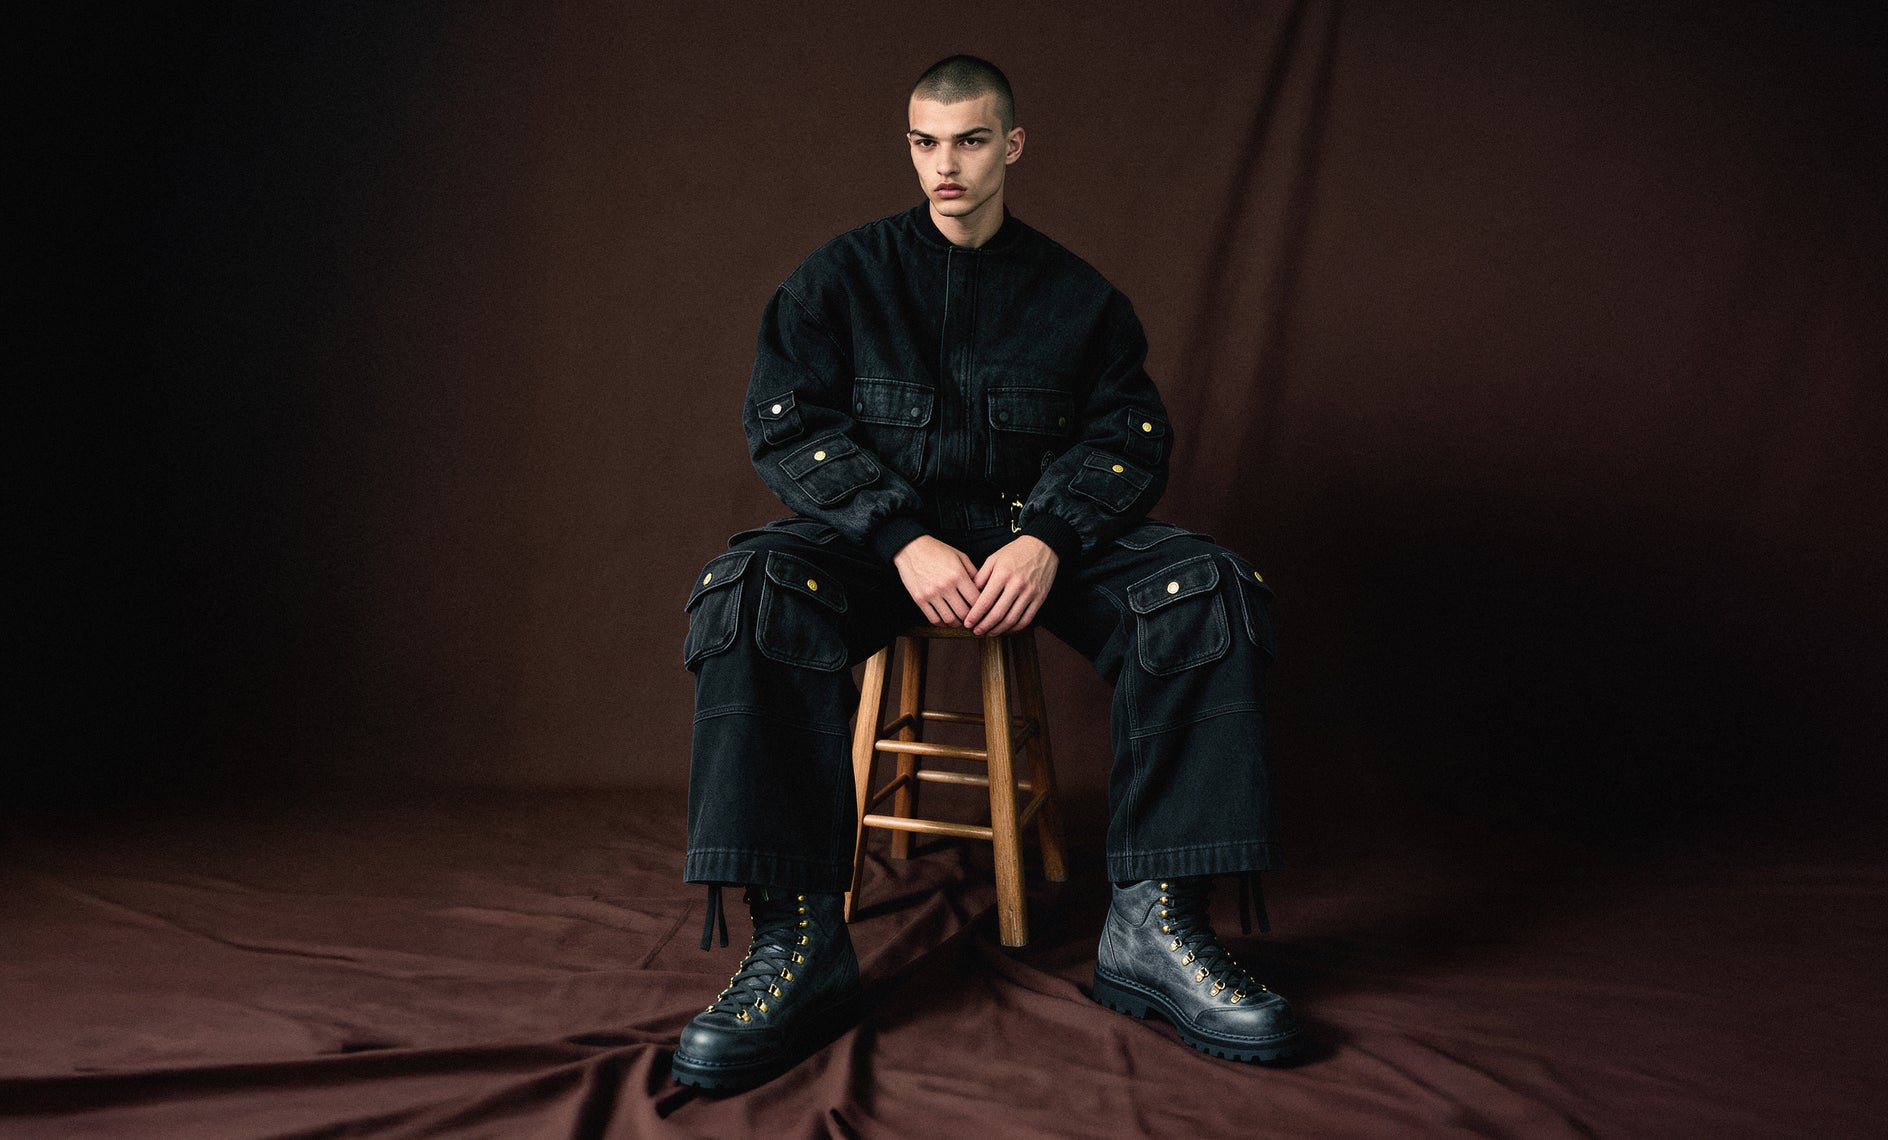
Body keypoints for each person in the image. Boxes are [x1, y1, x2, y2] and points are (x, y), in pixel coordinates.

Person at [671, 55, 1300, 1092]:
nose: (945, 166)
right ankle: (796, 940)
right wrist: (896, 535)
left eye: (968, 141)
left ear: (1011, 145)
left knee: (1208, 591)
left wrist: (1050, 535)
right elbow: (786, 429)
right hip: (883, 547)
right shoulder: (837, 280)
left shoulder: (1079, 297)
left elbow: (1129, 438)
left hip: (1035, 545)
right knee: (747, 592)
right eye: (925, 142)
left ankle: (1156, 927)